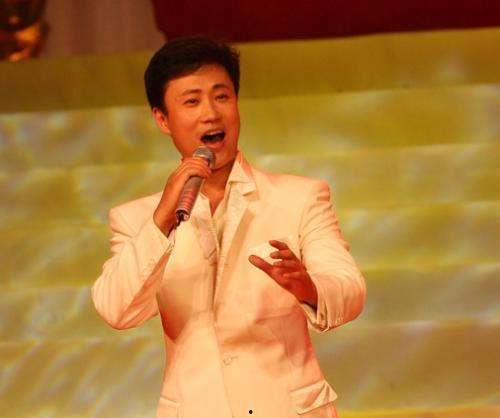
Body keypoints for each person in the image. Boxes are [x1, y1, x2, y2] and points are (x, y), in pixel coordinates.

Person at [91, 37, 366, 418]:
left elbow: (350, 289)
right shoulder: (138, 220)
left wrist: (310, 288)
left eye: (221, 97)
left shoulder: (300, 197)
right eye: (192, 101)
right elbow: (117, 310)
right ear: (162, 119)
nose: (211, 113)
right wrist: (161, 221)